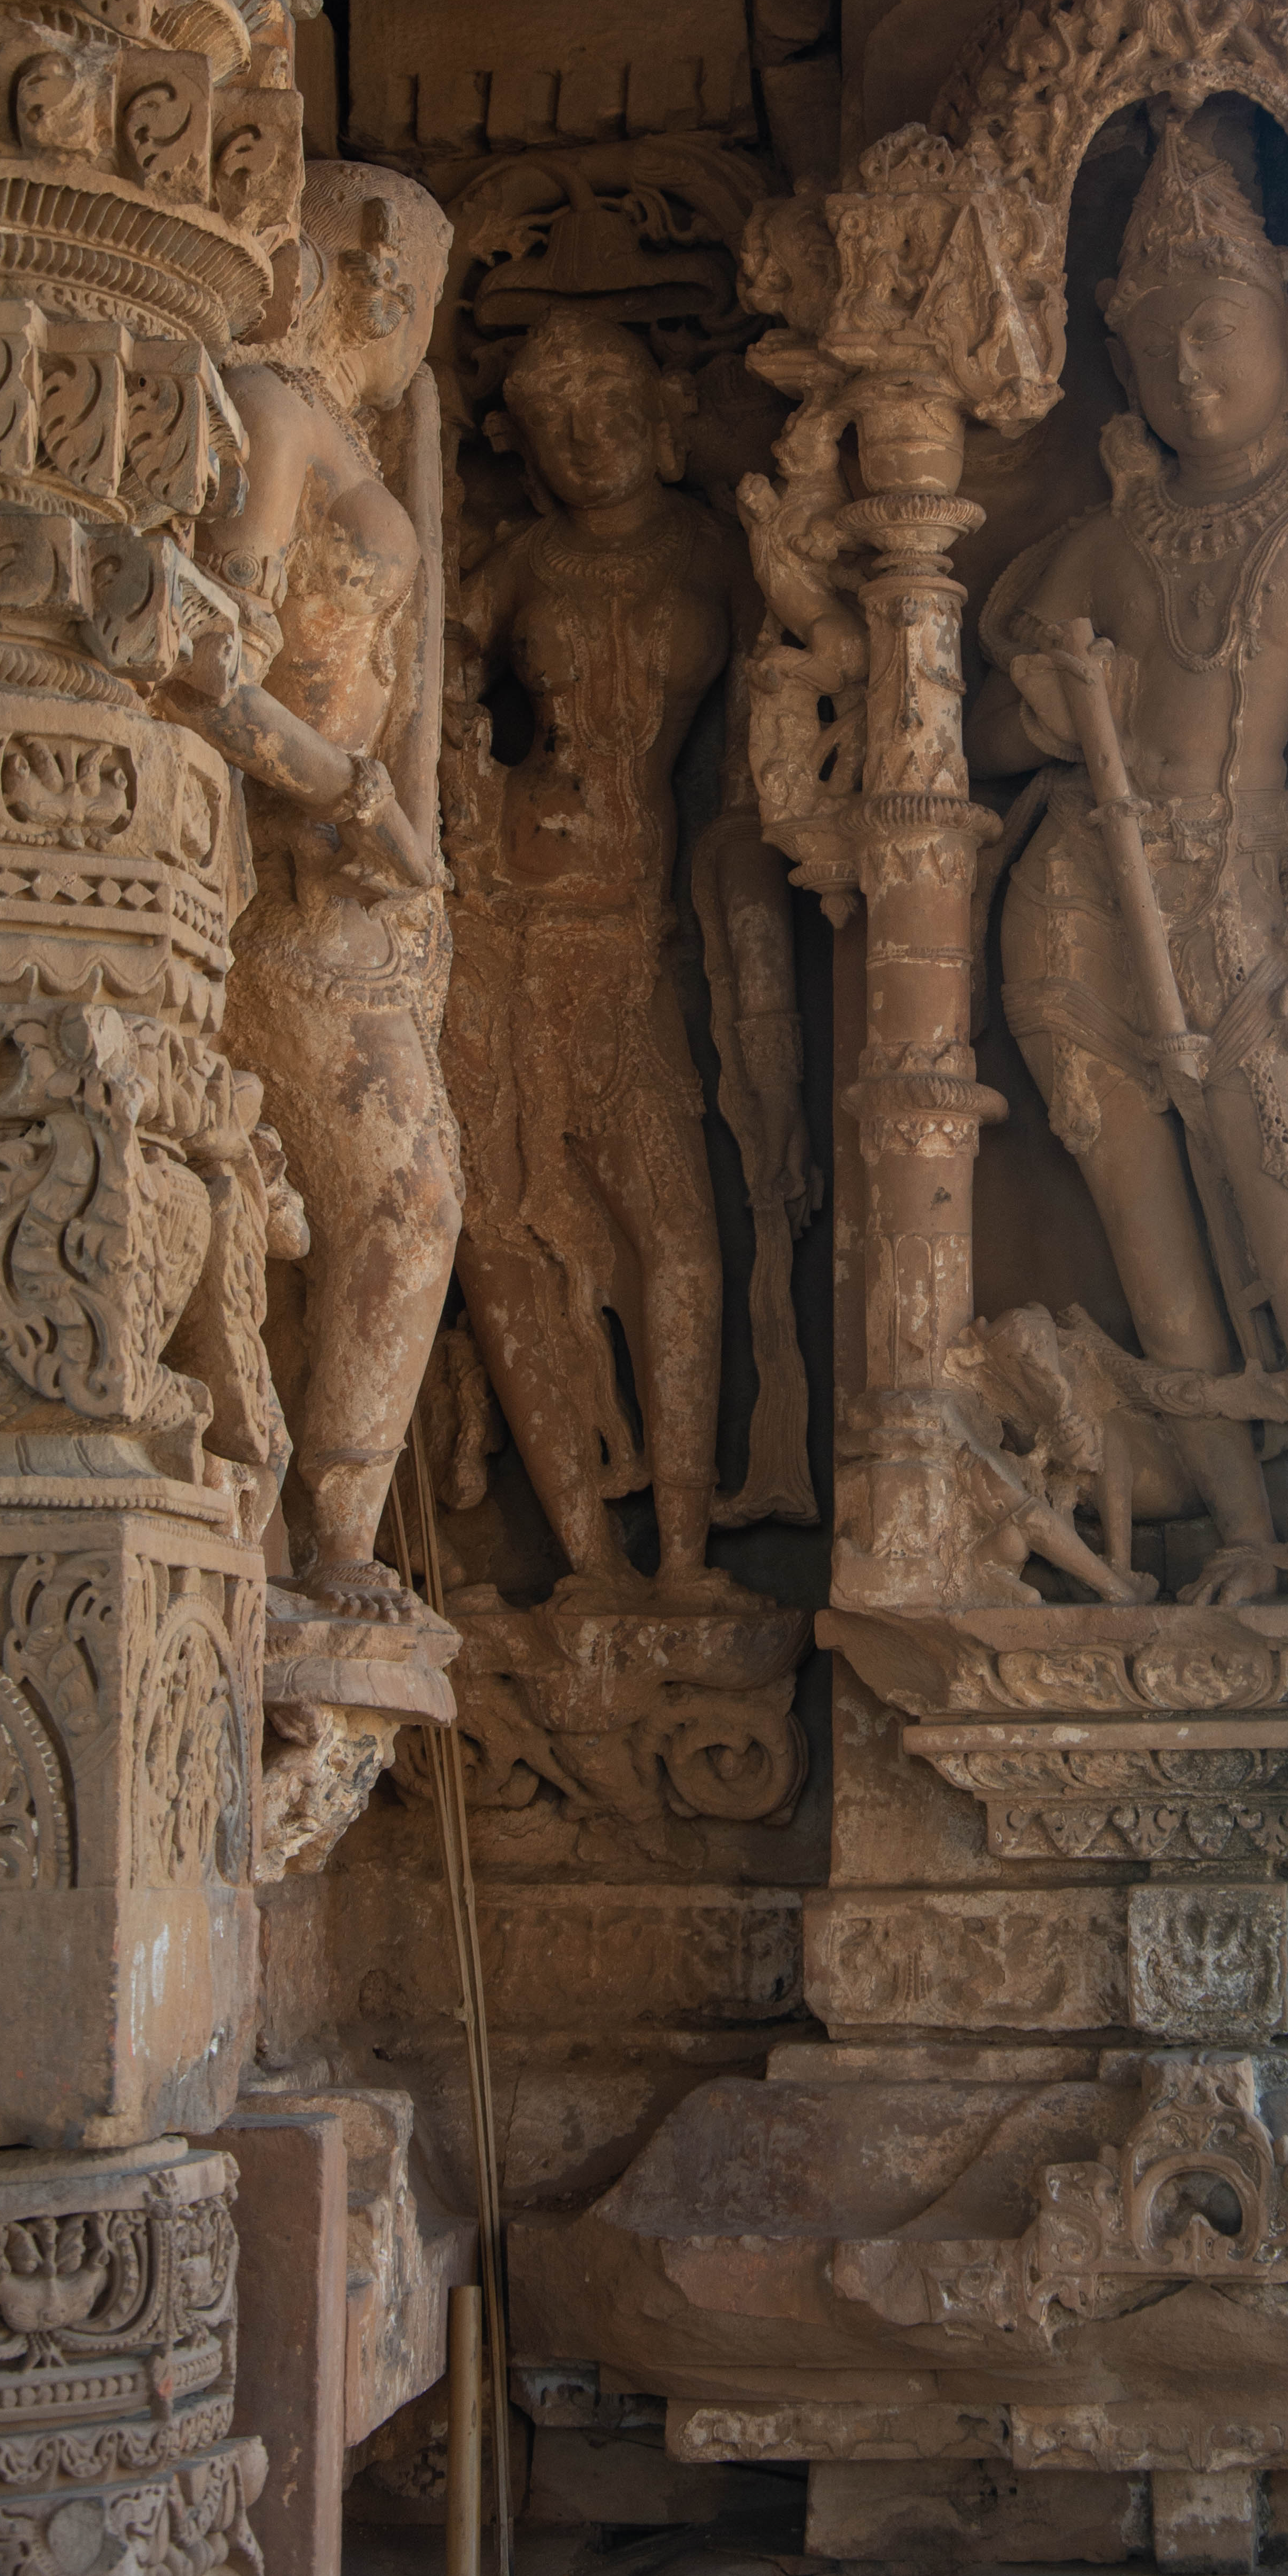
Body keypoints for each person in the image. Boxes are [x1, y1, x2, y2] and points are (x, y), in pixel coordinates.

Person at [970, 116, 1288, 1600]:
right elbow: (983, 734)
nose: (1192, 369)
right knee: (1153, 1243)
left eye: (1221, 329)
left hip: (1246, 908)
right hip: (1075, 910)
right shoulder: (1104, 542)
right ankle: (1246, 1538)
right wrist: (1048, 708)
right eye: (1162, 341)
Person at [441, 305, 816, 1605]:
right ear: (525, 448)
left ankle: (687, 1553)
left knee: (681, 1243)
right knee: (499, 1234)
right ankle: (590, 1565)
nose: (588, 441)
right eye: (555, 426)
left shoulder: (709, 547)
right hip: (502, 918)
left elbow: (803, 650)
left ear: (661, 419)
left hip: (633, 930)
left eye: (610, 412)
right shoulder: (520, 563)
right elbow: (424, 671)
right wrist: (461, 768)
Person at [193, 161, 461, 1617]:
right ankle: (329, 1549)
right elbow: (205, 663)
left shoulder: (341, 421)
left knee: (396, 1205)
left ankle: (325, 1540)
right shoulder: (276, 407)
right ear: (373, 275)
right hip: (290, 869)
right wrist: (350, 790)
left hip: (359, 888)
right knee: (400, 1206)